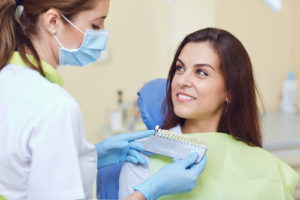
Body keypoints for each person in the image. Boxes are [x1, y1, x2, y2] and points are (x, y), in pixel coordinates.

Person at [0, 0, 207, 199]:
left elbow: (22, 168)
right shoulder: (55, 105)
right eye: (95, 25)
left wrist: (90, 156)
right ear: (53, 21)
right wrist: (149, 190)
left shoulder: (9, 80)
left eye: (202, 72)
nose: (102, 35)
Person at [119, 28, 299, 199]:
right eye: (180, 68)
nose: (182, 80)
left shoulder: (264, 166)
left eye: (201, 72)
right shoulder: (143, 158)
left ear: (230, 91)